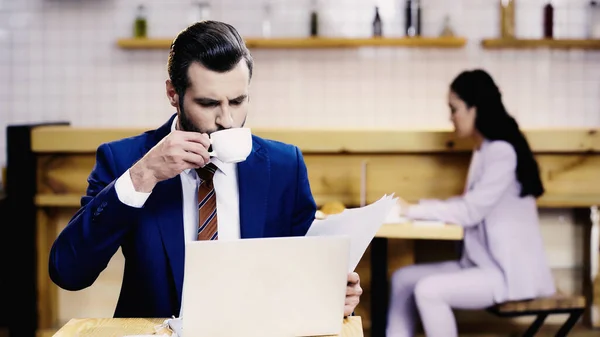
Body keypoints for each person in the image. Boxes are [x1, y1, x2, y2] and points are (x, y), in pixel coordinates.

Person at [48, 20, 362, 319]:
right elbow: (69, 272)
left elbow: (303, 274)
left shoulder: (284, 166)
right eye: (209, 104)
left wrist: (331, 293)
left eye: (238, 101)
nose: (226, 119)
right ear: (173, 94)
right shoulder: (125, 160)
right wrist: (143, 176)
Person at [386, 69, 555, 337]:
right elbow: (469, 204)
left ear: (475, 107)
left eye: (454, 108)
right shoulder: (484, 149)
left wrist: (412, 209)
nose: (451, 116)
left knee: (428, 291)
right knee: (402, 279)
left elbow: (470, 211)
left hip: (503, 273)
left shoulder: (501, 152)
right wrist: (419, 208)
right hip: (478, 265)